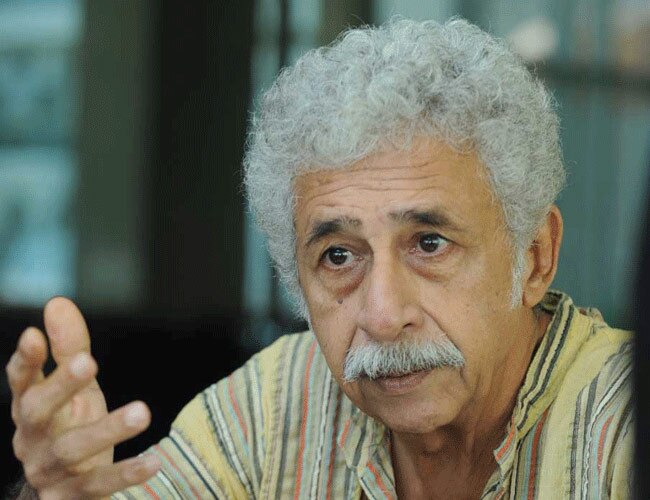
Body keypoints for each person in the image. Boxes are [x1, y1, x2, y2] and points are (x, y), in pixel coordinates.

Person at [7, 18, 633, 499]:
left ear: (535, 256)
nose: (382, 316)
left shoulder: (624, 424)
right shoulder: (274, 404)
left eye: (429, 243)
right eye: (338, 256)